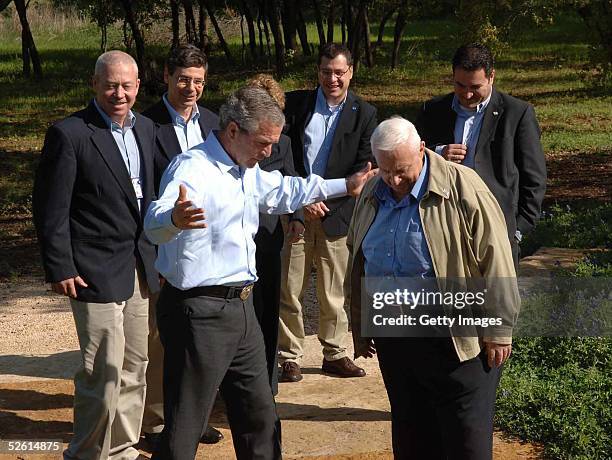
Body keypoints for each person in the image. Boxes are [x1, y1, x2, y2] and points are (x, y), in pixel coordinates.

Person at [144, 86, 376, 460]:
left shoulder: (247, 169)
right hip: (198, 312)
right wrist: (173, 218)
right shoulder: (192, 168)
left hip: (242, 310)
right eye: (263, 143)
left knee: (260, 416)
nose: (269, 152)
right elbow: (154, 222)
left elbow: (285, 190)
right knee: (186, 424)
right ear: (233, 131)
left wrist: (345, 186)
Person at [347, 117, 519, 459]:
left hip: (456, 340)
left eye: (402, 170)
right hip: (397, 339)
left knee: (464, 444)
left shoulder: (464, 186)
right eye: (385, 170)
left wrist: (499, 327)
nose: (394, 180)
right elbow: (359, 260)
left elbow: (496, 256)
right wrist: (362, 323)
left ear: (422, 149)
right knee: (412, 439)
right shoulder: (370, 192)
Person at [32, 50, 159, 460]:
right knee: (100, 373)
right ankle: (86, 454)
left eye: (126, 85)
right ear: (94, 84)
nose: (118, 93)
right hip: (92, 269)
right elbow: (51, 207)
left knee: (135, 367)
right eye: (110, 85)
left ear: (138, 86)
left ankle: (122, 449)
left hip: (140, 267)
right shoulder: (69, 133)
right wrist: (61, 265)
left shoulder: (148, 129)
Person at [279, 43, 377, 382]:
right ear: (317, 72)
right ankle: (289, 357)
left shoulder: (365, 114)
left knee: (334, 290)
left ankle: (334, 353)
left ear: (351, 72)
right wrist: (300, 200)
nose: (331, 78)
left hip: (337, 215)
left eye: (338, 72)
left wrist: (327, 202)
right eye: (325, 71)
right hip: (296, 212)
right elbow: (282, 156)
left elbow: (362, 169)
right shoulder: (295, 104)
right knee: (289, 287)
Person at [141, 44, 223, 446]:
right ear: (167, 77)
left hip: (207, 249)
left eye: (199, 82)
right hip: (163, 245)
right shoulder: (145, 124)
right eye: (184, 80)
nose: (191, 88)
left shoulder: (214, 122)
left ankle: (194, 419)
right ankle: (157, 422)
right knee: (161, 339)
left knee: (199, 340)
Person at [415, 43, 547, 267]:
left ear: (492, 77)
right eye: (460, 85)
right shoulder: (432, 110)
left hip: (498, 233)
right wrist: (438, 154)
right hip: (441, 230)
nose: (467, 94)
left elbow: (534, 178)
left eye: (475, 87)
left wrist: (518, 230)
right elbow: (410, 161)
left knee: (495, 301)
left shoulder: (517, 113)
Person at [247, 74, 305, 395]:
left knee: (269, 310)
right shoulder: (232, 141)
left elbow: (291, 179)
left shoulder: (282, 142)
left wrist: (296, 217)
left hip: (268, 239)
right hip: (234, 241)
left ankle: (267, 384)